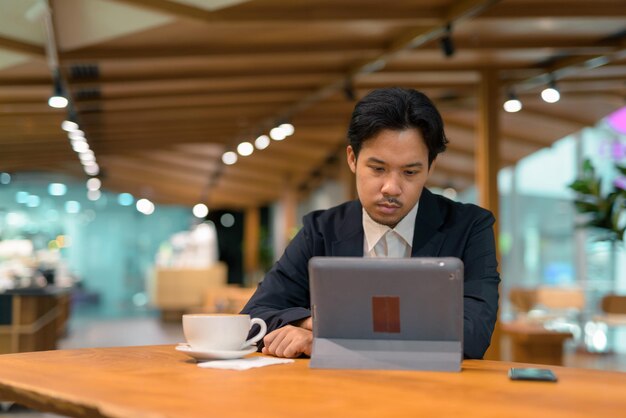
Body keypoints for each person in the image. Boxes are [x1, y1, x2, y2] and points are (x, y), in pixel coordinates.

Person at [241, 87, 500, 360]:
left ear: (430, 167)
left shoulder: (469, 227)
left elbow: (474, 334)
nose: (391, 188)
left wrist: (329, 332)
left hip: (433, 392)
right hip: (339, 395)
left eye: (410, 172)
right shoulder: (321, 230)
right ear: (352, 158)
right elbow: (253, 319)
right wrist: (312, 325)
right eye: (378, 169)